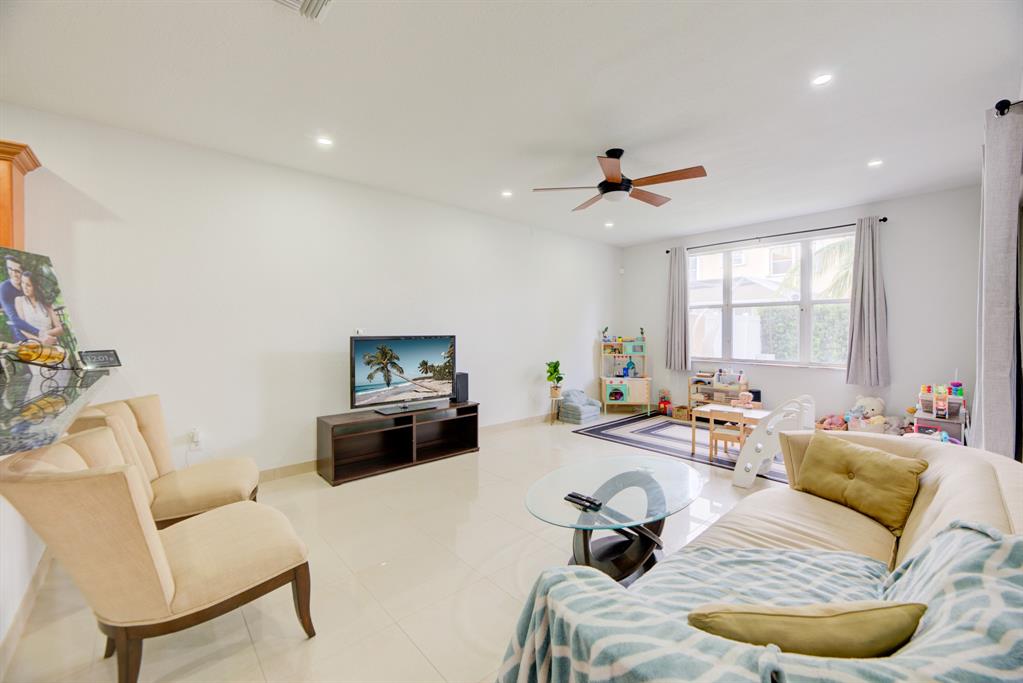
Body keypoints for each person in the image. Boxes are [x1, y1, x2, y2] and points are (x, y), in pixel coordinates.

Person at [0, 256, 43, 342]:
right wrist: (40, 333)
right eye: (10, 269)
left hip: (37, 325)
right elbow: (14, 319)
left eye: (17, 271)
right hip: (21, 332)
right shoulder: (4, 288)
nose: (13, 274)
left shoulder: (29, 285)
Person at [14, 272, 62, 345]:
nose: (24, 287)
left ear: (35, 287)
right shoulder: (19, 301)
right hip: (33, 346)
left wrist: (45, 335)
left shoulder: (45, 302)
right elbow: (22, 328)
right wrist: (40, 340)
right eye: (23, 283)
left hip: (50, 343)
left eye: (28, 285)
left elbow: (59, 329)